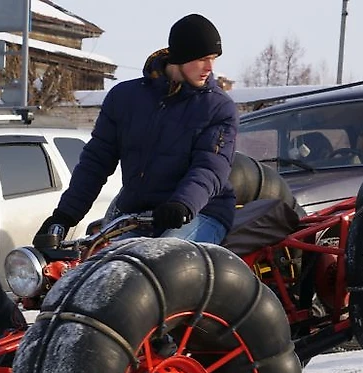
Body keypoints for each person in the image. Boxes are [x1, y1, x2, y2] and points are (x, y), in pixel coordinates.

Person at [35, 13, 238, 245]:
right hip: (139, 216)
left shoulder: (218, 107)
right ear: (180, 56)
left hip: (200, 212)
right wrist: (64, 216)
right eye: (202, 59)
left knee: (162, 260)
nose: (210, 68)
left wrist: (183, 203)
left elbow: (209, 169)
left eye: (213, 58)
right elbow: (96, 162)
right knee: (101, 269)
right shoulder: (124, 99)